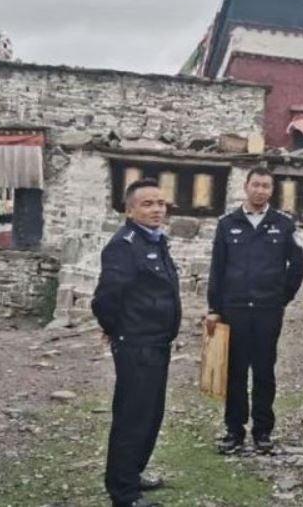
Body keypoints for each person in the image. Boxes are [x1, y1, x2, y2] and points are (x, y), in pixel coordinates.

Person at [92, 179, 180, 507]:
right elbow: (105, 299)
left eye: (160, 203)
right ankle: (124, 493)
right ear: (129, 210)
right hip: (137, 344)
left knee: (151, 414)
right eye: (147, 204)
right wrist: (118, 331)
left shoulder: (155, 240)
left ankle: (133, 472)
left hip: (156, 343)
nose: (157, 209)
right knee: (133, 417)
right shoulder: (124, 245)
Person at [206, 166, 303, 455]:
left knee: (264, 371)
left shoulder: (284, 225)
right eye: (256, 185)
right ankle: (234, 431)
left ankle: (263, 431)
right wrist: (214, 307)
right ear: (246, 187)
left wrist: (281, 298)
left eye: (266, 186)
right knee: (235, 372)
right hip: (233, 310)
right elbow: (217, 269)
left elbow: (297, 265)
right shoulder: (227, 224)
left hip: (267, 310)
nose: (261, 190)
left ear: (271, 191)